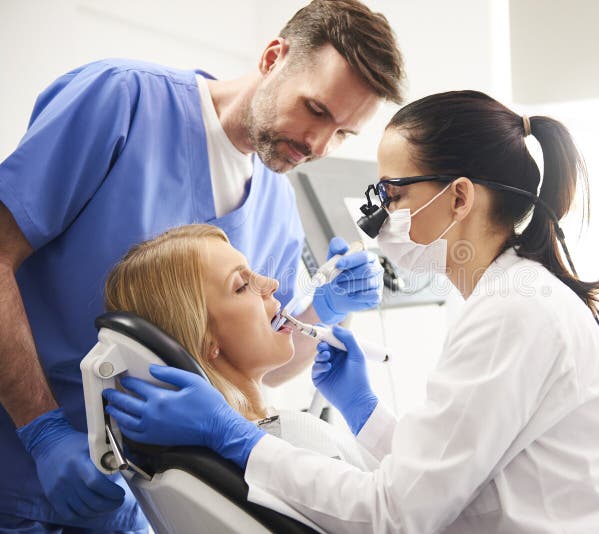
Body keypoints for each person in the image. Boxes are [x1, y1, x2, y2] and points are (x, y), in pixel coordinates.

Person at [105, 90, 599, 533]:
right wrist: (363, 410)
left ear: (460, 199)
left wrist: (234, 435)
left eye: (392, 193)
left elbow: (397, 513)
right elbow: (440, 478)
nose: (377, 214)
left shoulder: (513, 312)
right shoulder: (514, 299)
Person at [0, 0, 403, 531]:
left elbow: (255, 361)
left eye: (344, 133)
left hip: (137, 501)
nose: (318, 145)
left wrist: (324, 310)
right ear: (273, 56)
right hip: (19, 471)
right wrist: (42, 430)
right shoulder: (122, 102)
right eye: (317, 110)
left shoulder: (275, 203)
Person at [103, 224, 374, 470]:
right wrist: (363, 412)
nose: (272, 284)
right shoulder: (288, 445)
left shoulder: (241, 451)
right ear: (206, 342)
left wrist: (362, 412)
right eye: (242, 286)